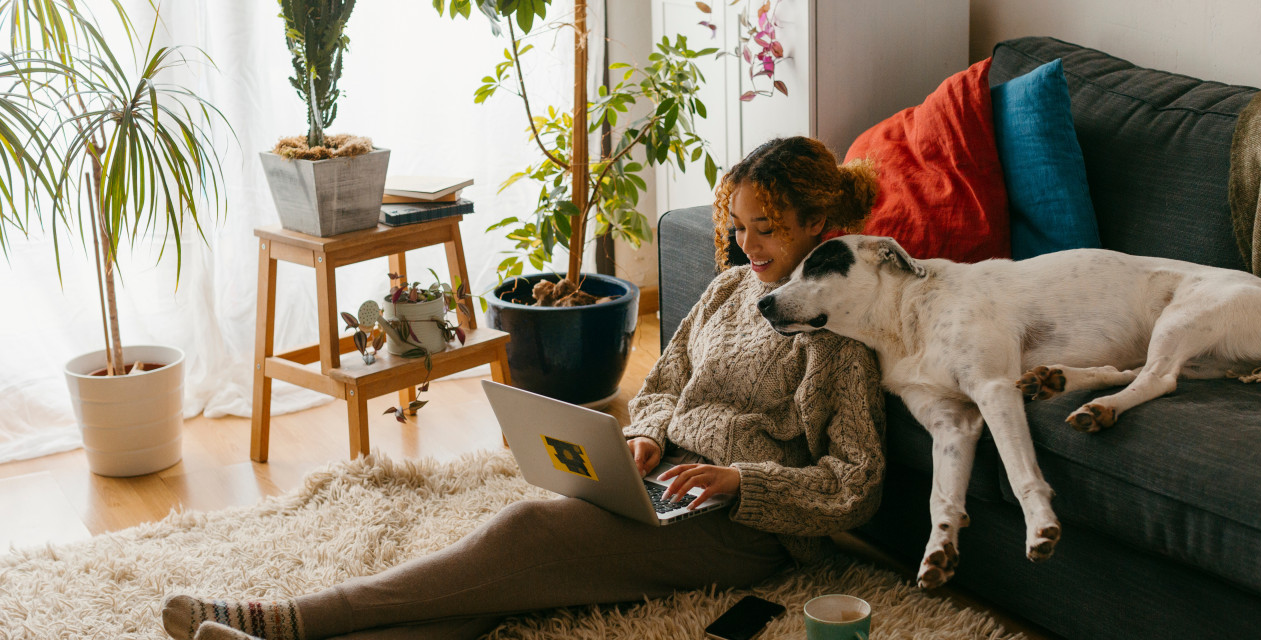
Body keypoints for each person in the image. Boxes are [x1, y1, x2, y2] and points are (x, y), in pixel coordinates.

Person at [161, 136, 886, 640]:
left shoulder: (839, 329)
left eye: (767, 230)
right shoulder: (730, 289)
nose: (746, 247)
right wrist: (644, 435)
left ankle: (285, 619)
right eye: (739, 227)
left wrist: (737, 481)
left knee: (524, 535)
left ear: (818, 223)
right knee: (514, 583)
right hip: (661, 487)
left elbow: (857, 483)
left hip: (744, 533)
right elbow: (665, 383)